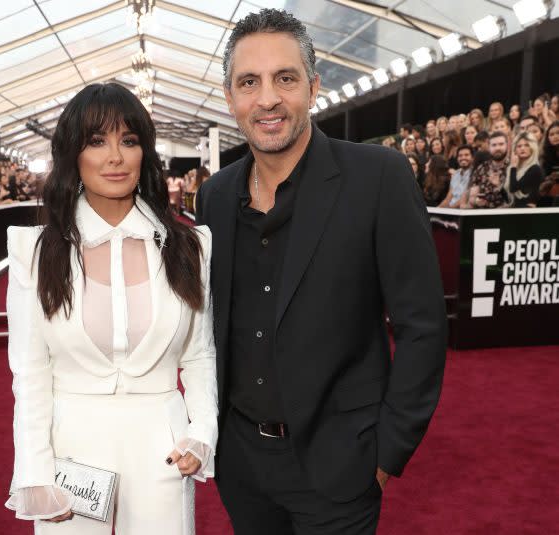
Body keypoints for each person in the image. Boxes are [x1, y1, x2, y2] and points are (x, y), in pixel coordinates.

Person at [195, 9, 446, 535]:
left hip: (342, 468)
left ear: (312, 87)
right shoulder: (214, 197)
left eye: (284, 78)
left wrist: (385, 455)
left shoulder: (378, 178)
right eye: (249, 82)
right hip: (240, 467)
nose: (267, 99)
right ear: (229, 97)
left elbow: (422, 326)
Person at [4, 83, 217, 534]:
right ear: (73, 155)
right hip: (71, 451)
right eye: (97, 141)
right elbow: (30, 372)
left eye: (129, 140)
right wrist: (35, 471)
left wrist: (202, 432)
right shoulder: (36, 251)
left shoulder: (190, 246)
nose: (115, 157)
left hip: (164, 448)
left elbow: (200, 353)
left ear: (145, 152)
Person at [462, 131, 509, 209]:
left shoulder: (513, 168)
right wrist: (476, 201)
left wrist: (499, 185)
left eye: (501, 144)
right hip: (482, 214)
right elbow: (472, 197)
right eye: (494, 145)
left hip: (505, 215)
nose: (497, 148)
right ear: (489, 147)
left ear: (507, 145)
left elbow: (514, 200)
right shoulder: (481, 168)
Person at [505, 132, 544, 208]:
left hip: (528, 211)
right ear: (515, 150)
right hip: (516, 209)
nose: (522, 148)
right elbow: (508, 196)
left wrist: (513, 167)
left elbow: (513, 188)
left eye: (527, 145)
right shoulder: (513, 169)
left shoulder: (535, 169)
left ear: (533, 148)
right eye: (519, 146)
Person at [538, 121, 559, 207]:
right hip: (549, 196)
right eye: (551, 134)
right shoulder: (544, 156)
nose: (555, 136)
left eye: (558, 133)